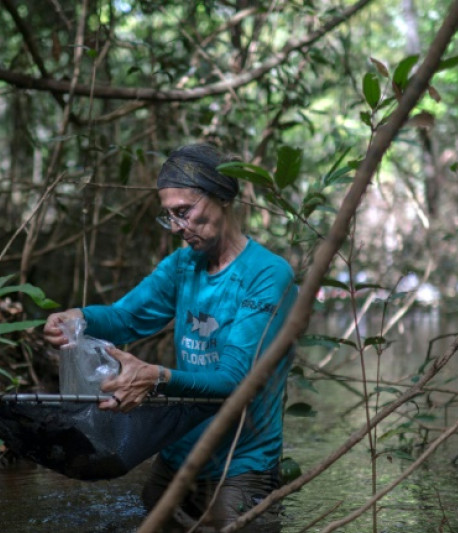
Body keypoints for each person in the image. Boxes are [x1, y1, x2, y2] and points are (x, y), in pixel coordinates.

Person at [43, 143, 296, 531]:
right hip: (179, 455)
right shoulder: (182, 266)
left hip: (241, 463)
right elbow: (127, 317)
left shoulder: (267, 275)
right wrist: (79, 318)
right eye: (170, 216)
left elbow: (235, 379)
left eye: (185, 212)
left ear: (224, 197)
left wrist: (157, 377)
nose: (178, 227)